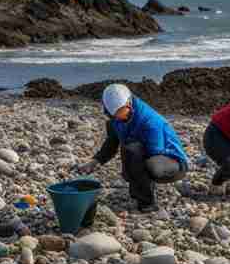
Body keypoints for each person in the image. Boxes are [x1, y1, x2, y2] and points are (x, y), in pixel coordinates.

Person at [77, 84, 188, 213]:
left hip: (172, 162)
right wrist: (96, 161)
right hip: (146, 153)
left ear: (129, 104)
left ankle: (147, 203)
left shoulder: (150, 122)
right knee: (132, 152)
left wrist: (135, 172)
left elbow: (154, 152)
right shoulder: (114, 119)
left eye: (121, 112)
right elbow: (112, 142)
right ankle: (136, 192)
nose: (118, 117)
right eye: (114, 115)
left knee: (137, 154)